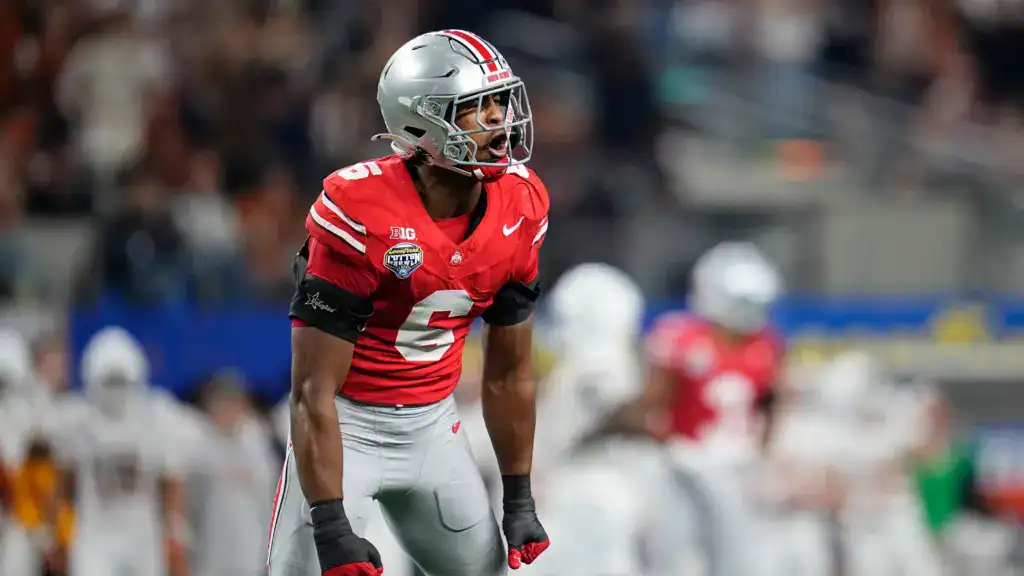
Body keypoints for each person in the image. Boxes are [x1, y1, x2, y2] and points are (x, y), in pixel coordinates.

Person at [269, 30, 550, 576]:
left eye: (500, 102)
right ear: (420, 124)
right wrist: (329, 523)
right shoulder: (360, 211)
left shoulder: (522, 202)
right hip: (346, 426)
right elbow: (310, 392)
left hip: (432, 428)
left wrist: (519, 498)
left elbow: (509, 373)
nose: (499, 121)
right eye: (475, 108)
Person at [596, 241, 786, 576]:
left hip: (735, 465)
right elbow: (652, 401)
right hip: (682, 462)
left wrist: (764, 450)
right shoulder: (683, 338)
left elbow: (772, 402)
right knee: (671, 555)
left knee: (736, 558)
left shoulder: (766, 345)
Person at [532, 263, 654, 576]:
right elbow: (629, 415)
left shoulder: (599, 360)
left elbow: (622, 411)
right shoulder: (596, 360)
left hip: (592, 481)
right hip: (585, 483)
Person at [49, 327, 199, 576]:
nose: (115, 390)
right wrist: (57, 533)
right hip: (95, 535)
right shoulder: (77, 420)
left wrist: (175, 534)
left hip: (142, 537)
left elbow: (171, 481)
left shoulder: (155, 417)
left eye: (120, 381)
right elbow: (64, 482)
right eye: (109, 381)